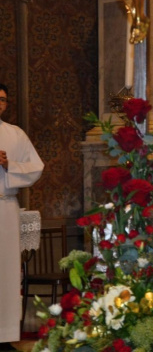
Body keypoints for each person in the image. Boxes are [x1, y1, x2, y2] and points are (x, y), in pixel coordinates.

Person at [0, 83, 43, 343]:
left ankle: (4, 336)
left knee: (5, 272)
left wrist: (9, 165)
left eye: (3, 99)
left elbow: (36, 167)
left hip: (5, 210)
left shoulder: (15, 134)